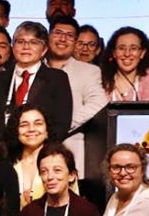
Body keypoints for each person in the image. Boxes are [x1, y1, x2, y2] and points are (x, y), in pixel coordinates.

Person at [0, 21, 72, 135]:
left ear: (44, 50)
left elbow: (62, 124)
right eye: (20, 42)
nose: (26, 47)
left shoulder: (57, 79)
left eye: (34, 42)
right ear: (13, 47)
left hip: (43, 145)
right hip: (3, 145)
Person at [43, 16, 106, 173]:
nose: (63, 39)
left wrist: (60, 126)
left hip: (70, 148)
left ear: (75, 41)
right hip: (32, 151)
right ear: (48, 36)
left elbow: (98, 103)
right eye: (58, 33)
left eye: (69, 35)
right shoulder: (35, 67)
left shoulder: (88, 71)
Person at [6, 104, 56, 208]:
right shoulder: (6, 163)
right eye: (24, 125)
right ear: (16, 131)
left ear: (47, 130)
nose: (31, 129)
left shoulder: (60, 162)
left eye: (38, 124)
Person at [100, 26, 149, 102]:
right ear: (114, 53)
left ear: (142, 53)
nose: (127, 54)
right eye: (121, 48)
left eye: (133, 48)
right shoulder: (101, 80)